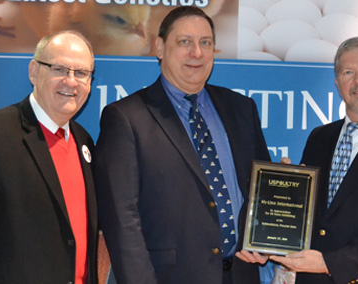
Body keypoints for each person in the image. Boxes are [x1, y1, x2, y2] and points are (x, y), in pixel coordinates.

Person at [94, 6, 270, 284]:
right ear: (160, 47)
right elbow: (121, 219)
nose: (196, 53)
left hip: (240, 275)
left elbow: (260, 192)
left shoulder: (241, 109)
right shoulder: (126, 118)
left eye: (205, 43)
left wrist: (266, 237)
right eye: (184, 42)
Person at [238, 37, 358, 284]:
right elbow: (308, 216)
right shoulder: (320, 138)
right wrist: (274, 229)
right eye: (348, 72)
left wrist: (329, 264)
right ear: (337, 82)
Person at [0, 30, 98, 284]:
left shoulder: (84, 141)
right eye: (60, 69)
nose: (71, 82)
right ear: (34, 72)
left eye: (81, 73)